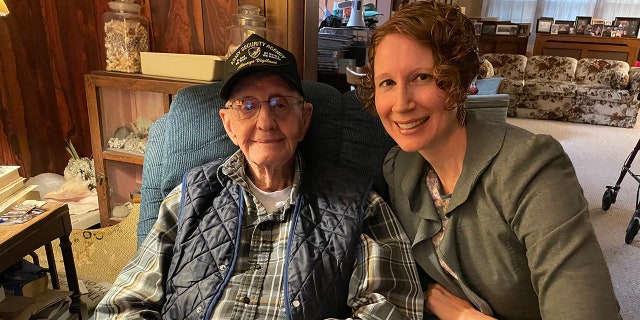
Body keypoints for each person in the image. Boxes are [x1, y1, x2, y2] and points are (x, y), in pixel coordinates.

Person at [94, 34, 423, 319]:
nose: (265, 122)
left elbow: (393, 308)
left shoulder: (360, 203)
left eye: (280, 104)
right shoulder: (189, 196)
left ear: (304, 118)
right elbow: (122, 304)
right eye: (247, 106)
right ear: (228, 124)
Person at [357, 1, 621, 319]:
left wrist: (465, 317)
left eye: (422, 77)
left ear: (458, 81)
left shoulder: (533, 167)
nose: (400, 104)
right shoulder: (399, 167)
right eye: (387, 82)